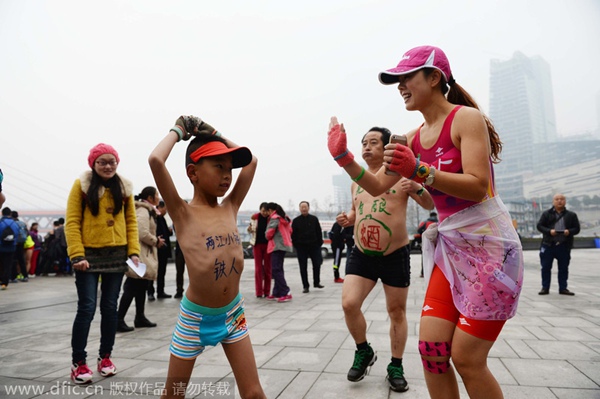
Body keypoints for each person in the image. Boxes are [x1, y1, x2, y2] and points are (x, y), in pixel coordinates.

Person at [327, 45, 524, 399]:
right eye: (396, 80)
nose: (400, 86)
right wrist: (344, 157)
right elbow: (374, 184)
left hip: (490, 251)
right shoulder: (413, 137)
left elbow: (478, 185)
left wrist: (418, 170)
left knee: (466, 358)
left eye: (407, 78)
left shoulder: (465, 119)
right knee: (432, 352)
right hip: (451, 253)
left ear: (434, 78)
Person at [149, 115, 265, 399]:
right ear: (193, 172)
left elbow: (251, 162)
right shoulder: (181, 212)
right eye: (218, 167)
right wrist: (179, 131)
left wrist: (215, 133)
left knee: (253, 393)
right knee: (174, 394)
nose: (227, 175)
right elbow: (155, 160)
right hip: (195, 318)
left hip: (233, 313)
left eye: (229, 169)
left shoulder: (230, 206)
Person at [334, 126, 434, 392]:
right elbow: (357, 211)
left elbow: (429, 205)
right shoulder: (357, 181)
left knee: (396, 312)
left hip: (395, 254)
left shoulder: (400, 175)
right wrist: (348, 218)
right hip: (362, 254)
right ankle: (363, 350)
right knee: (349, 303)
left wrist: (416, 186)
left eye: (374, 142)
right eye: (364, 142)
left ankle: (396, 365)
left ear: (387, 147)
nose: (367, 147)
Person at [65, 143, 141, 385]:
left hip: (117, 255)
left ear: (117, 163)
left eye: (112, 162)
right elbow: (72, 221)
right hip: (88, 256)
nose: (108, 166)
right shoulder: (82, 185)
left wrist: (134, 252)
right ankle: (79, 362)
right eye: (102, 162)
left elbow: (131, 222)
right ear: (93, 164)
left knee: (110, 308)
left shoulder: (125, 187)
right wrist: (76, 255)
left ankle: (105, 357)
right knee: (86, 308)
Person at [117, 186, 161, 332]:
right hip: (139, 254)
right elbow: (142, 233)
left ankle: (140, 317)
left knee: (141, 285)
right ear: (149, 198)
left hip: (142, 254)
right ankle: (118, 319)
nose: (158, 197)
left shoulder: (147, 210)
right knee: (132, 285)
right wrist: (155, 241)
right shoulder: (143, 211)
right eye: (157, 195)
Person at [537, 193, 580, 296]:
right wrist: (549, 231)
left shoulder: (571, 215)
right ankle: (545, 287)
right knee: (546, 267)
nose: (559, 201)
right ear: (553, 201)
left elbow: (577, 228)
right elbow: (539, 226)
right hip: (548, 244)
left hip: (564, 245)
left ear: (565, 201)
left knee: (564, 268)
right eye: (557, 199)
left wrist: (569, 231)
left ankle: (563, 288)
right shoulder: (546, 214)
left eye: (562, 199)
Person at [291, 201, 324, 293]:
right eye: (302, 207)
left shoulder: (314, 219)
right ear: (299, 208)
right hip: (301, 246)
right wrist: (296, 244)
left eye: (305, 207)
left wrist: (319, 243)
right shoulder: (296, 221)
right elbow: (293, 234)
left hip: (314, 245)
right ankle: (305, 286)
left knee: (317, 264)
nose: (304, 209)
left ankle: (316, 282)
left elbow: (318, 231)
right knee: (303, 266)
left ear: (308, 208)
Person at [265, 202, 293, 302]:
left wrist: (267, 233)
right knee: (278, 269)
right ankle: (276, 292)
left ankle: (286, 291)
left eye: (267, 211)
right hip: (285, 245)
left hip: (277, 245)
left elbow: (269, 234)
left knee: (276, 270)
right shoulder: (285, 218)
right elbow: (290, 231)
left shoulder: (275, 218)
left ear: (270, 210)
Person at [248, 202, 272, 298]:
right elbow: (250, 230)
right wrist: (249, 229)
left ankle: (267, 291)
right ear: (260, 210)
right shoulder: (254, 217)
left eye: (266, 211)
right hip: (257, 244)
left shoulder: (271, 218)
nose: (264, 213)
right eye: (263, 211)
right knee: (258, 269)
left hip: (268, 245)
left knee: (267, 268)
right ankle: (259, 292)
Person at [150, 200, 173, 299]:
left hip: (163, 250)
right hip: (156, 249)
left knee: (162, 272)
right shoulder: (154, 218)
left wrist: (169, 232)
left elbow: (166, 234)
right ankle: (150, 292)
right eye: (165, 209)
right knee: (152, 272)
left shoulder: (162, 219)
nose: (166, 211)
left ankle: (160, 291)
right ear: (160, 207)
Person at [0, 207, 20, 290]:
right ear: (10, 214)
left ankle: (1, 279)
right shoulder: (15, 223)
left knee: (1, 264)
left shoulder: (0, 222)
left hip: (1, 246)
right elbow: (17, 234)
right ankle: (5, 282)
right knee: (8, 265)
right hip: (11, 247)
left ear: (2, 213)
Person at [415, 212, 439, 277]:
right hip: (438, 243)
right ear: (436, 215)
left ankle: (423, 273)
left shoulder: (425, 222)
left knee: (425, 257)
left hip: (427, 242)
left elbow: (419, 230)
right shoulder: (439, 222)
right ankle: (435, 273)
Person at [11, 210, 29, 282]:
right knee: (22, 260)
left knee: (14, 260)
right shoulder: (22, 223)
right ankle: (25, 276)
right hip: (21, 243)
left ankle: (14, 277)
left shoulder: (12, 223)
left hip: (14, 243)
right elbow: (27, 233)